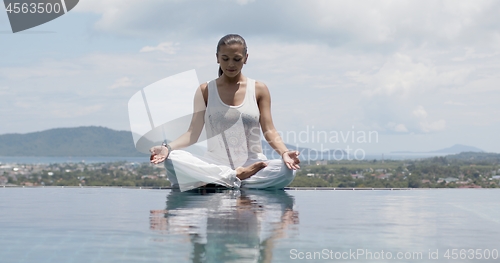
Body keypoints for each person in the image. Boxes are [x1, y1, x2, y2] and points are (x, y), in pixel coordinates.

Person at [149, 34, 300, 191]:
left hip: (252, 165)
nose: (230, 64)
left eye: (237, 59)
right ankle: (235, 177)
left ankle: (220, 180)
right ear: (217, 58)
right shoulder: (205, 90)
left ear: (246, 58)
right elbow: (193, 133)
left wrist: (284, 152)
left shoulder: (258, 89)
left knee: (287, 171)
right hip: (214, 164)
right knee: (172, 159)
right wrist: (167, 148)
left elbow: (269, 130)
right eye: (225, 58)